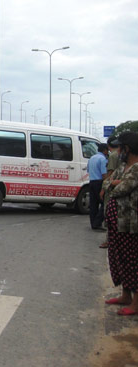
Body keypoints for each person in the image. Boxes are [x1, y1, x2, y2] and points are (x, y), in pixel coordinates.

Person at [102, 131, 138, 316]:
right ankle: (125, 295)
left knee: (132, 262)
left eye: (120, 147)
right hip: (116, 224)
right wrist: (113, 183)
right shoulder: (123, 166)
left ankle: (135, 303)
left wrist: (114, 184)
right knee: (119, 260)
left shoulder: (137, 167)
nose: (117, 151)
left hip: (131, 225)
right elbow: (108, 184)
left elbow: (122, 189)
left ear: (128, 148)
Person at [87, 143, 108, 231]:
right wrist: (106, 184)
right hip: (99, 182)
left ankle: (93, 223)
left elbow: (88, 170)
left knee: (93, 204)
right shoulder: (103, 159)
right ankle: (98, 222)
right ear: (104, 150)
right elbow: (104, 174)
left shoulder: (91, 158)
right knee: (104, 203)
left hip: (91, 181)